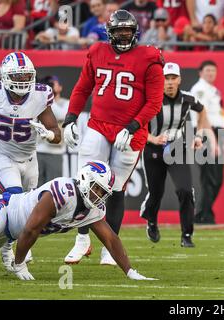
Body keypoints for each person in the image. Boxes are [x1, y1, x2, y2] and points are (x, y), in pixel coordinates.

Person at [62, 9, 164, 265]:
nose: (123, 35)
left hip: (131, 130)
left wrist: (133, 126)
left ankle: (110, 245)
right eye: (119, 31)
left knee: (116, 189)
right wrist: (71, 118)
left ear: (135, 32)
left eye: (128, 31)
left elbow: (154, 102)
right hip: (98, 125)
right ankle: (82, 239)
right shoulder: (97, 51)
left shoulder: (149, 57)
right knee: (86, 182)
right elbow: (83, 87)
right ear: (110, 32)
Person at [0, 161, 156, 281]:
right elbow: (30, 230)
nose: (99, 195)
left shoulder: (91, 209)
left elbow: (111, 239)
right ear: (85, 178)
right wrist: (20, 263)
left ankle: (7, 246)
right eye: (97, 187)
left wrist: (129, 271)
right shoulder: (63, 191)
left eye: (103, 192)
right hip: (2, 211)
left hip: (11, 232)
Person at [0, 52, 62, 264]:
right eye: (18, 76)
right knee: (14, 199)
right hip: (2, 155)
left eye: (26, 76)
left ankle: (9, 243)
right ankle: (8, 252)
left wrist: (48, 134)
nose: (23, 81)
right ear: (5, 77)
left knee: (27, 209)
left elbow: (56, 134)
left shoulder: (40, 95)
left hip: (29, 159)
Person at [140, 62, 216, 248]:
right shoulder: (150, 99)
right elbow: (136, 124)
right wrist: (152, 138)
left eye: (173, 78)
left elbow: (202, 110)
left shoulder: (187, 99)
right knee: (156, 193)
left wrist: (198, 134)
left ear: (180, 79)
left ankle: (187, 235)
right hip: (153, 149)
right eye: (166, 78)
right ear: (161, 80)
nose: (170, 83)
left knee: (185, 190)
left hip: (178, 149)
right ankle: (151, 221)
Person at [190, 60, 224, 225]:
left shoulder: (213, 90)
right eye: (208, 70)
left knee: (216, 178)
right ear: (200, 72)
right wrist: (213, 139)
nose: (211, 73)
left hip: (217, 132)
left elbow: (218, 114)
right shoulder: (200, 90)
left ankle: (204, 213)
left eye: (213, 70)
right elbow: (201, 116)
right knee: (209, 177)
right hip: (205, 133)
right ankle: (204, 215)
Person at [36, 76, 69, 187]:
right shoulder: (39, 101)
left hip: (55, 152)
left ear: (60, 87)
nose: (49, 86)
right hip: (37, 151)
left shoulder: (66, 103)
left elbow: (62, 115)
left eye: (52, 84)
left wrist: (46, 97)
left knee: (52, 189)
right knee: (35, 188)